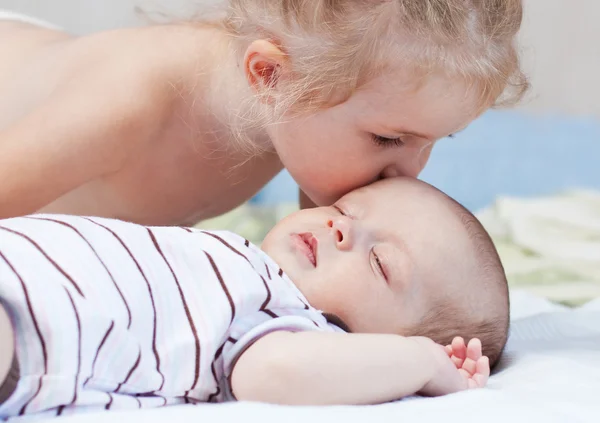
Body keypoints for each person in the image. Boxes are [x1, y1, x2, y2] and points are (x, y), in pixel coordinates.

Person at [0, 177, 508, 418]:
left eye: (380, 264)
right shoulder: (242, 261)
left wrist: (420, 362)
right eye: (346, 208)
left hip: (32, 330)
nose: (339, 228)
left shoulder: (291, 323)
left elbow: (277, 375)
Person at [0, 1, 527, 225]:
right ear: (271, 77)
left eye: (437, 140)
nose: (413, 171)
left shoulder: (303, 116)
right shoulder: (125, 103)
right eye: (390, 139)